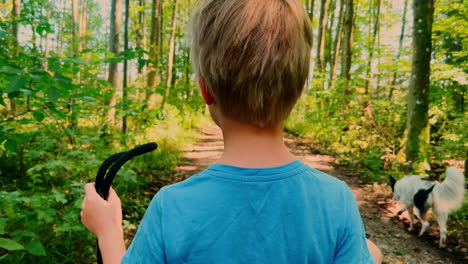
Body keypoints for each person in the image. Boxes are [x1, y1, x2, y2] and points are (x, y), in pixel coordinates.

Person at [81, 0, 383, 263]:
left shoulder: (172, 206)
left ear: (205, 90)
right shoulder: (335, 202)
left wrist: (108, 231)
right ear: (300, 88)